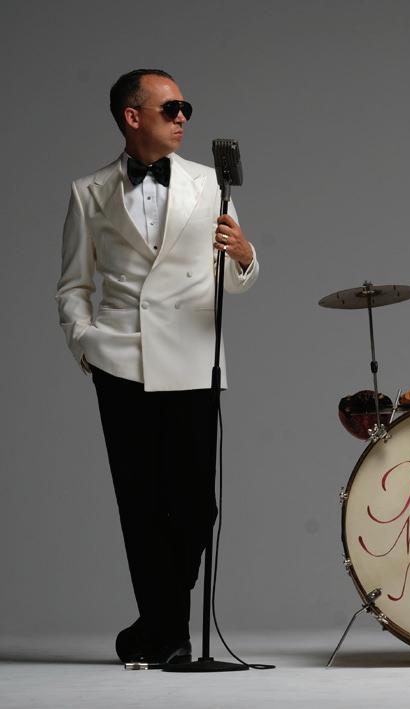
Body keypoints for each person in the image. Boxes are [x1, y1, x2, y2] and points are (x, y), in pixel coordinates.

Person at [56, 69, 259, 664]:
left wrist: (245, 256)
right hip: (123, 358)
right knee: (141, 503)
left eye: (185, 108)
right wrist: (86, 343)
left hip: (194, 357)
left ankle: (152, 627)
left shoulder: (210, 182)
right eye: (171, 108)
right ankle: (171, 637)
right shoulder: (89, 192)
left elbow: (233, 279)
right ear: (132, 116)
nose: (182, 118)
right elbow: (73, 285)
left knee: (195, 507)